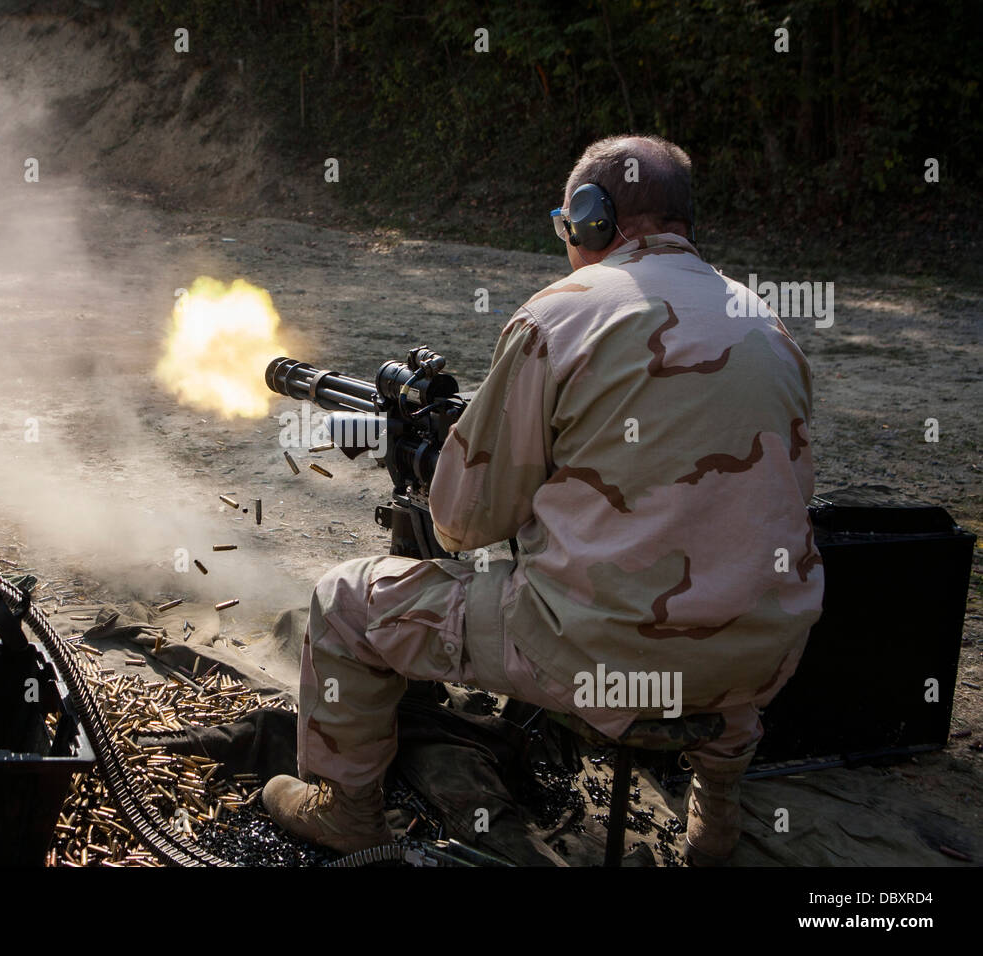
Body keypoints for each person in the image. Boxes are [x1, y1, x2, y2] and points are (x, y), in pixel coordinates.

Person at [262, 134, 824, 866]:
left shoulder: (559, 314)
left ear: (591, 218)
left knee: (343, 600)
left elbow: (463, 525)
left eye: (567, 225)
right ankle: (714, 818)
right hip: (763, 655)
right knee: (727, 591)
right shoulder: (769, 325)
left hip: (598, 660)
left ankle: (344, 811)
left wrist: (438, 464)